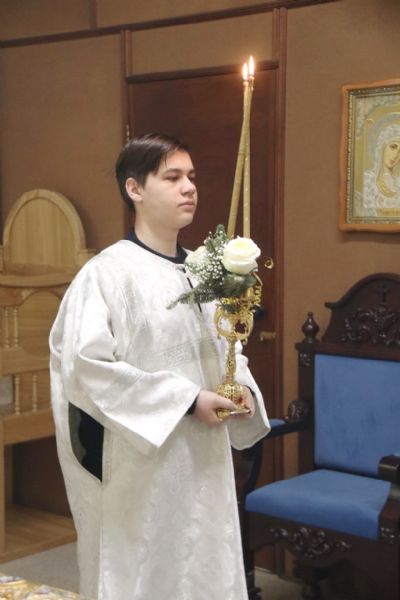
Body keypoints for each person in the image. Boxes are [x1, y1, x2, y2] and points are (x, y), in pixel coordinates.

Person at [49, 133, 270, 600]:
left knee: (203, 566)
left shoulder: (202, 272)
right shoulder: (106, 274)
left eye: (191, 176)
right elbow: (86, 369)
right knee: (149, 573)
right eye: (172, 177)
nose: (189, 187)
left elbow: (225, 349)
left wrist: (243, 391)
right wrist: (187, 400)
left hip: (204, 459)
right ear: (135, 188)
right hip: (142, 464)